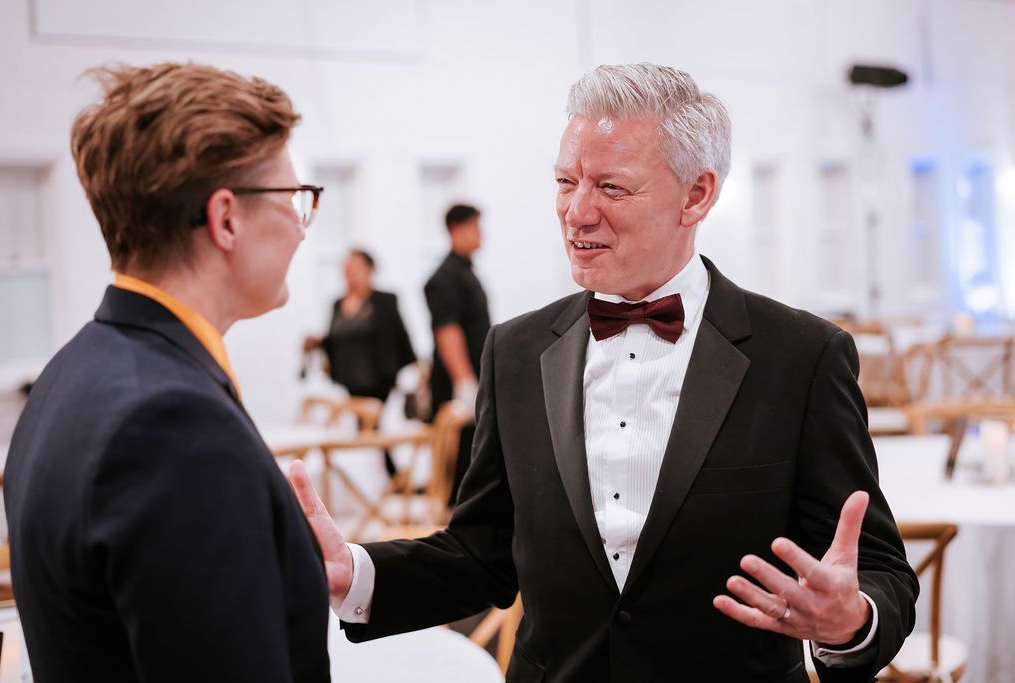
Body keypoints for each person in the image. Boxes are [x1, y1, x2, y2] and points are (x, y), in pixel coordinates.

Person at [289, 63, 918, 682]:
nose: (576, 213)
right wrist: (356, 573)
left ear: (696, 194)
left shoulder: (801, 356)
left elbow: (881, 572)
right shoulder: (516, 351)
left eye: (611, 188)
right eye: (566, 181)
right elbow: (482, 553)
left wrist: (851, 623)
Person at [4, 62, 331, 682]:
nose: (299, 224)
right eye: (294, 198)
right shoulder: (174, 428)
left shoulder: (71, 373)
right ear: (226, 218)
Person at [305, 248, 416, 473]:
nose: (349, 274)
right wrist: (318, 342)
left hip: (379, 377)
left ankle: (388, 477)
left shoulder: (384, 301)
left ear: (369, 270)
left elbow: (400, 334)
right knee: (365, 432)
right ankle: (383, 477)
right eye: (346, 270)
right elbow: (335, 338)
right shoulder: (338, 304)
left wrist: (413, 366)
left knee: (372, 429)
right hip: (349, 378)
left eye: (355, 268)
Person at [423, 204, 491, 502]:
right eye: (476, 227)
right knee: (460, 458)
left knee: (473, 455)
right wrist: (464, 382)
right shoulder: (445, 277)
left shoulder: (465, 271)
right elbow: (447, 331)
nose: (481, 234)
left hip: (472, 376)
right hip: (456, 381)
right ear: (457, 230)